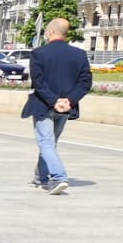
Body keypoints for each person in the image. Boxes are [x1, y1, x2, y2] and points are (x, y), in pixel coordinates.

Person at [23, 17, 92, 195]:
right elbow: (85, 82)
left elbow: (38, 83)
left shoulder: (39, 53)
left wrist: (54, 101)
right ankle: (41, 178)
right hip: (66, 107)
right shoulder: (79, 54)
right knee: (49, 144)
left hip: (44, 105)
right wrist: (69, 100)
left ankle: (59, 177)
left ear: (50, 32)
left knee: (46, 143)